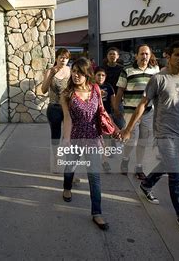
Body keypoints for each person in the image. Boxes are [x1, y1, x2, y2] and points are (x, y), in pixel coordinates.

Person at [121, 40, 179, 237]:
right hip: (163, 134)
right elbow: (142, 104)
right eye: (178, 54)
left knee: (166, 165)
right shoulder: (158, 79)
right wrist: (129, 129)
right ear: (168, 57)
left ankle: (146, 184)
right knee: (176, 176)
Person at [61, 58, 115, 231]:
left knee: (94, 176)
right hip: (76, 136)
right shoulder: (67, 94)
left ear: (86, 74)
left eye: (80, 72)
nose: (76, 75)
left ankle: (96, 213)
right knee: (70, 167)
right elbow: (67, 118)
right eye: (74, 71)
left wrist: (115, 129)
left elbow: (102, 111)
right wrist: (67, 140)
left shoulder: (95, 89)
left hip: (93, 137)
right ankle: (67, 187)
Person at [115, 44, 159, 179]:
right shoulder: (127, 70)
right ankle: (126, 159)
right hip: (130, 111)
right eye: (142, 53)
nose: (144, 56)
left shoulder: (155, 71)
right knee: (131, 141)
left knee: (143, 141)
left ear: (150, 55)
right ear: (137, 55)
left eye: (147, 53)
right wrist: (116, 108)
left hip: (148, 112)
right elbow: (120, 91)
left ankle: (139, 166)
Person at [42, 48, 71, 145]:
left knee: (68, 134)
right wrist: (51, 75)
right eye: (61, 57)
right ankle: (55, 157)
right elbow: (43, 90)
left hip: (68, 107)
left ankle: (67, 156)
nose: (63, 60)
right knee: (55, 135)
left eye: (66, 58)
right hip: (54, 107)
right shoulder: (50, 71)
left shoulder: (71, 71)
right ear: (56, 58)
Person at [94, 67, 117, 172]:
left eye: (103, 75)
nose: (100, 77)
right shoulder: (91, 86)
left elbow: (113, 101)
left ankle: (104, 160)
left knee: (105, 140)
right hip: (93, 116)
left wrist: (115, 112)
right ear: (94, 76)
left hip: (106, 115)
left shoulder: (108, 87)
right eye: (98, 75)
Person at [102, 47, 125, 129]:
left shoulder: (122, 69)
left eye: (114, 54)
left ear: (118, 56)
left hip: (118, 99)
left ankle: (119, 141)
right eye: (110, 54)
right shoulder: (102, 69)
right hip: (105, 100)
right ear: (107, 56)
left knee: (120, 125)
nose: (112, 56)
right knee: (106, 126)